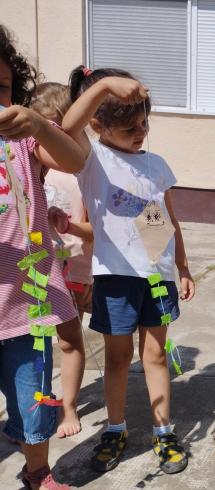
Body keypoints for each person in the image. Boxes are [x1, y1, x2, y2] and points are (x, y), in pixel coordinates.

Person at [62, 66, 195, 474]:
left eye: (144, 123)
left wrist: (183, 266)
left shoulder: (156, 164)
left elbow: (168, 221)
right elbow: (67, 127)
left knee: (155, 355)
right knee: (118, 358)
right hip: (115, 278)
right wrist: (103, 86)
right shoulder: (92, 159)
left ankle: (163, 431)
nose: (141, 132)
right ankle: (115, 428)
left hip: (157, 277)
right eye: (129, 127)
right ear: (99, 125)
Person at [0, 24, 86, 490]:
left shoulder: (23, 139)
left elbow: (74, 160)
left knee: (33, 396)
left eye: (2, 87)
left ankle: (38, 472)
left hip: (27, 305)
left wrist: (37, 124)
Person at [31, 81, 90, 439]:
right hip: (35, 270)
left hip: (74, 269)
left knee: (70, 340)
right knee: (36, 342)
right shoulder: (31, 165)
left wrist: (85, 276)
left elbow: (90, 229)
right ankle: (36, 408)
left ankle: (69, 405)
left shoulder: (83, 169)